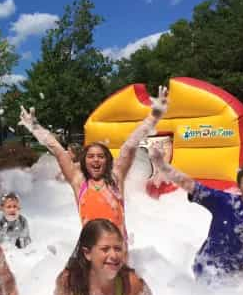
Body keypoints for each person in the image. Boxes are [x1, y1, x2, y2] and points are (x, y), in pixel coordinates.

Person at [19, 86, 169, 235]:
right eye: (91, 156)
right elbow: (57, 150)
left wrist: (154, 116)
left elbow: (131, 144)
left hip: (116, 252)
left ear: (108, 161)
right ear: (84, 161)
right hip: (89, 252)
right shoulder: (78, 181)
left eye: (100, 156)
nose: (96, 160)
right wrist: (34, 127)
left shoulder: (116, 177)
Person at [149, 145, 243, 280]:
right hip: (208, 271)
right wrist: (161, 164)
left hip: (239, 276)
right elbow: (188, 184)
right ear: (240, 188)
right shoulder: (226, 203)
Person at [41, 219, 180, 295]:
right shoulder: (71, 280)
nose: (114, 255)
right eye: (105, 249)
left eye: (118, 248)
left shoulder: (130, 285)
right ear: (87, 253)